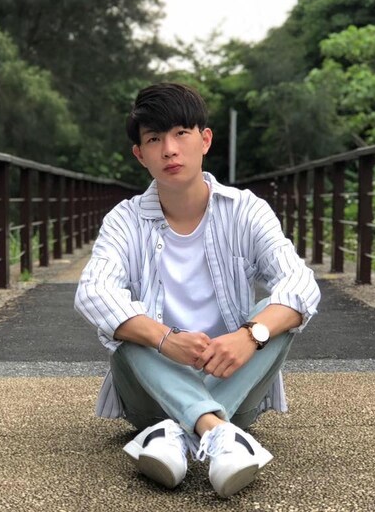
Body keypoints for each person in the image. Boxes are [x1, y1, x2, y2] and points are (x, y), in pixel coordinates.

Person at [74, 82, 320, 497]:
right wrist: (165, 339)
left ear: (205, 140)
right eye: (154, 139)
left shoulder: (245, 210)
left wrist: (250, 336)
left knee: (276, 314)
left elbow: (301, 284)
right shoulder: (124, 220)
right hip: (149, 399)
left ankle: (175, 436)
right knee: (129, 324)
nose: (170, 150)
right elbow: (93, 292)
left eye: (181, 133)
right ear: (140, 154)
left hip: (232, 381)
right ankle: (215, 431)